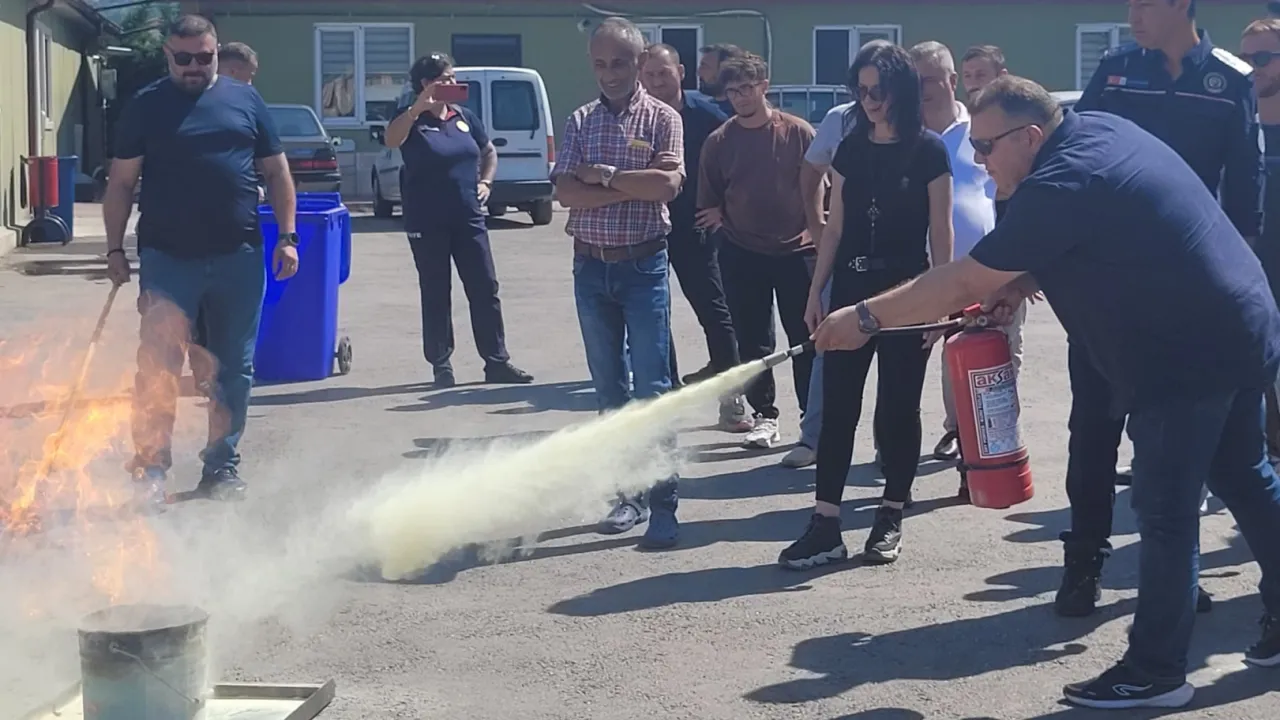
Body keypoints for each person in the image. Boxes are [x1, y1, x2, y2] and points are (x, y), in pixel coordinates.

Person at [811, 73, 1280, 710]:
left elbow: (961, 281)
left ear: (1030, 136)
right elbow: (1097, 232)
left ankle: (1156, 672)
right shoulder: (1093, 133)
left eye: (986, 147)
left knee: (1165, 510)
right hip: (1239, 326)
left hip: (1188, 355)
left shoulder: (1062, 181)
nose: (978, 161)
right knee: (1244, 475)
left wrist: (865, 317)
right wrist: (1019, 278)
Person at [1060, 0, 1262, 618]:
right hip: (1107, 285)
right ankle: (1084, 562)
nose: (1133, 16)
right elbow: (1073, 153)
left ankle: (1175, 575)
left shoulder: (1229, 80)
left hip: (1183, 294)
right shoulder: (1118, 71)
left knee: (1171, 444)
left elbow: (1244, 195)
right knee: (1093, 432)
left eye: (1145, 3)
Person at [102, 14, 298, 509]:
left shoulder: (245, 100)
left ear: (216, 52)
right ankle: (150, 469)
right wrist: (115, 249)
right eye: (183, 58)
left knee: (233, 370)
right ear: (167, 55)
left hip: (239, 257)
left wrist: (288, 237)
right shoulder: (145, 106)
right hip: (168, 260)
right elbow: (121, 184)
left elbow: (277, 173)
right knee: (158, 368)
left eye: (204, 57)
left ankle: (221, 468)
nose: (194, 66)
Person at [778, 42, 954, 569]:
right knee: (838, 409)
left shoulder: (930, 151)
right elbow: (834, 228)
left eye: (879, 90)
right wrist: (816, 292)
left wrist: (940, 302)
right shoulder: (850, 147)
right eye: (862, 91)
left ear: (901, 89)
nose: (870, 101)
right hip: (850, 290)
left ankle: (890, 515)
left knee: (897, 410)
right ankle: (825, 524)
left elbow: (941, 233)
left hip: (908, 296)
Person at [551, 17, 685, 548]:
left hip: (643, 268)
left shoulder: (662, 118)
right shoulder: (580, 120)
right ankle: (627, 496)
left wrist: (603, 176)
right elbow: (565, 193)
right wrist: (633, 185)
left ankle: (665, 504)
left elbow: (667, 185)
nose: (610, 74)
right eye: (600, 64)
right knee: (610, 392)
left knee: (653, 390)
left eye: (620, 63)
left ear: (639, 62)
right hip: (590, 269)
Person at [382, 52, 533, 389]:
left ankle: (496, 361)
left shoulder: (464, 116)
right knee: (436, 291)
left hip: (468, 217)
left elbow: (487, 150)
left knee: (485, 287)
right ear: (426, 83)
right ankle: (441, 364)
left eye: (452, 77)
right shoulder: (410, 119)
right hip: (427, 220)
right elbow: (392, 140)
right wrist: (417, 108)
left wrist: (486, 181)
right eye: (445, 78)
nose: (452, 83)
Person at [697, 52, 820, 450]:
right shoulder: (719, 141)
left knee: (806, 337)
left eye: (747, 89)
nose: (740, 98)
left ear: (764, 87)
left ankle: (812, 421)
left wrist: (824, 232)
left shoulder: (799, 133)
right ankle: (765, 416)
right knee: (753, 343)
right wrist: (718, 217)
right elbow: (708, 200)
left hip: (799, 250)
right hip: (742, 252)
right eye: (732, 92)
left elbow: (827, 186)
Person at [910, 41, 1022, 473]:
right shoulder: (904, 132)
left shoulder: (983, 129)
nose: (922, 89)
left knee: (994, 352)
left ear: (950, 81)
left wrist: (1022, 267)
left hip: (987, 268)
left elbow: (1010, 192)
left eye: (930, 79)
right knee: (936, 356)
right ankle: (939, 433)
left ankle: (990, 435)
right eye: (915, 80)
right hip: (922, 271)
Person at [638, 43, 752, 432]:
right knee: (653, 317)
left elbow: (740, 163)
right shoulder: (635, 118)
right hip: (645, 226)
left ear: (681, 73)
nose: (656, 82)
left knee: (715, 314)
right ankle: (665, 394)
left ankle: (732, 399)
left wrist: (723, 209)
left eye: (663, 73)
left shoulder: (708, 116)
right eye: (649, 75)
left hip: (695, 230)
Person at [185, 40, 264, 400]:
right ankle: (204, 371)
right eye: (248, 76)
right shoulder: (192, 107)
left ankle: (219, 375)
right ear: (230, 70)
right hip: (186, 235)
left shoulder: (244, 105)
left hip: (232, 236)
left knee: (226, 315)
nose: (251, 84)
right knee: (196, 312)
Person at [1241, 18, 1280, 464]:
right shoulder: (1239, 128)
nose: (1253, 68)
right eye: (1245, 59)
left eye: (1264, 58)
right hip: (1249, 276)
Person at [697, 43, 746, 116]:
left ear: (726, 70)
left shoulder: (745, 113)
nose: (699, 72)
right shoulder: (702, 110)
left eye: (705, 67)